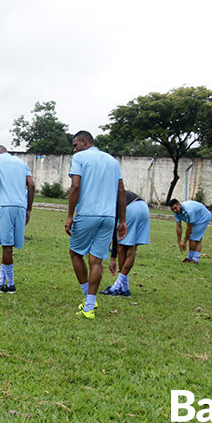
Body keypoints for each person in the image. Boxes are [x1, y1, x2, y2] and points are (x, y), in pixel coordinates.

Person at [65, 131, 126, 319]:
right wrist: (122, 220)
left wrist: (69, 215)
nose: (74, 149)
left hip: (87, 214)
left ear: (84, 142)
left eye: (75, 145)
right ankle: (89, 306)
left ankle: (87, 297)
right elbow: (121, 192)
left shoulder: (80, 158)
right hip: (108, 217)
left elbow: (75, 186)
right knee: (96, 260)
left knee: (76, 253)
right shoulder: (112, 161)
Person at [0, 145, 35, 293]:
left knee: (6, 245)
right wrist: (29, 208)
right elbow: (31, 185)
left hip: (5, 205)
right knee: (8, 246)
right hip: (20, 206)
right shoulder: (21, 162)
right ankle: (0, 282)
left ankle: (10, 284)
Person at [100, 190, 150, 298]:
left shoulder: (107, 198)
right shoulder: (115, 192)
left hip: (130, 209)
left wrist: (113, 258)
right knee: (132, 248)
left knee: (121, 247)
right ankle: (125, 289)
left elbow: (115, 228)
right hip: (143, 207)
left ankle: (116, 287)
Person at [168, 199, 212, 264]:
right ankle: (194, 259)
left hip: (203, 217)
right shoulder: (176, 213)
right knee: (197, 238)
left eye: (175, 208)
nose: (175, 211)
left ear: (179, 205)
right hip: (196, 217)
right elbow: (178, 226)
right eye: (173, 210)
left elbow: (189, 228)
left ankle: (192, 258)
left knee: (193, 238)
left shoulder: (189, 211)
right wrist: (179, 241)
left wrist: (185, 242)